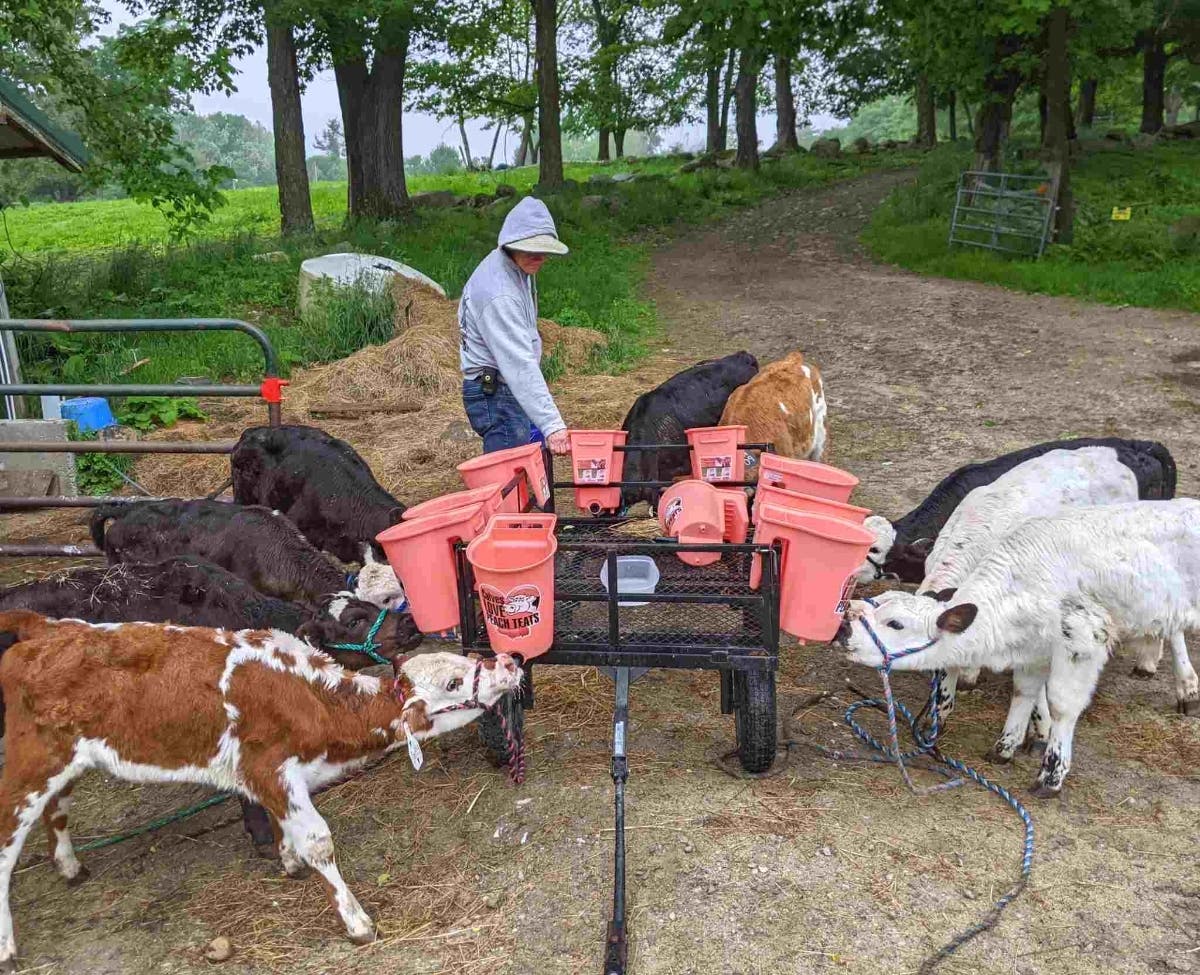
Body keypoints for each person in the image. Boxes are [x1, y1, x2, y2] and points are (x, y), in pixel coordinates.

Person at [459, 197, 572, 455]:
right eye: (531, 248)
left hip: (503, 385)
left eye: (543, 250)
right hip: (495, 392)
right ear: (509, 244)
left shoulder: (516, 268)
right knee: (508, 476)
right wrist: (553, 425)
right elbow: (518, 363)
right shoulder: (499, 294)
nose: (539, 256)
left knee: (524, 467)